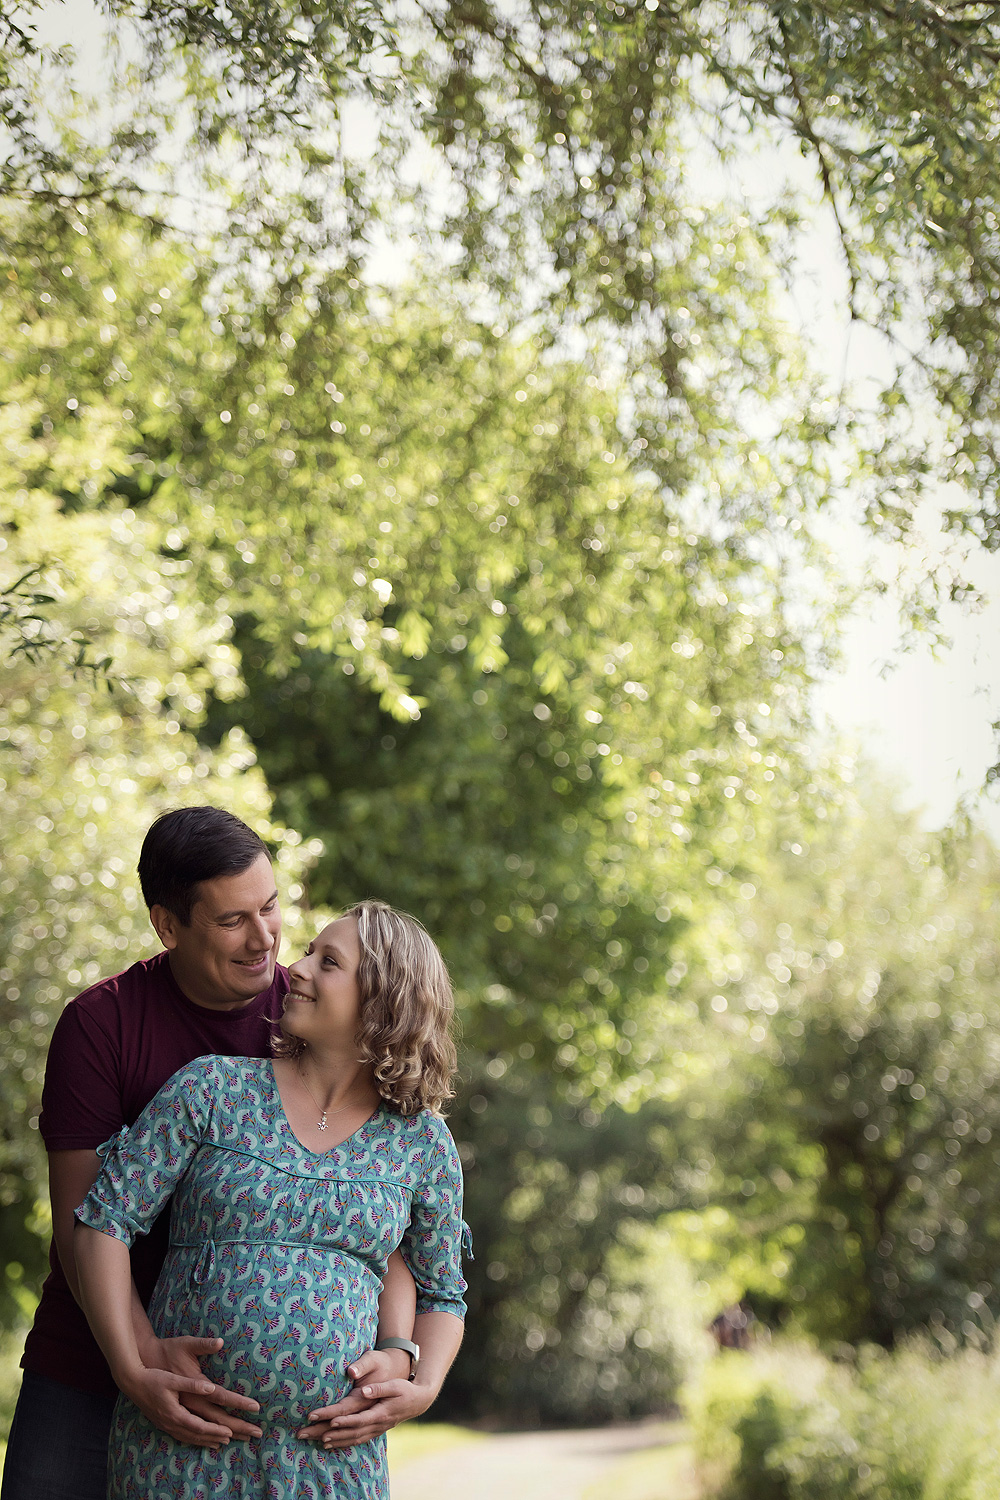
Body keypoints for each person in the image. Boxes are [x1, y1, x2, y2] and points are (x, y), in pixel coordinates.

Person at [1, 810, 416, 1500]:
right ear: (169, 926)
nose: (265, 940)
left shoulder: (313, 1015)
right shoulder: (101, 1025)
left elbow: (383, 1202)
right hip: (85, 1365)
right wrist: (137, 1363)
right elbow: (85, 1222)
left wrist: (401, 1353)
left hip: (245, 1415)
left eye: (271, 907)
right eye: (232, 921)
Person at [73, 899, 468, 1500]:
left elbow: (441, 1290)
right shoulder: (213, 1090)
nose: (298, 968)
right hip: (185, 1445)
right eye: (308, 952)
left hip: (333, 1462)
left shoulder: (423, 1142)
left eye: (327, 961)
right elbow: (103, 1221)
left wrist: (421, 1379)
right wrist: (134, 1367)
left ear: (385, 1001)